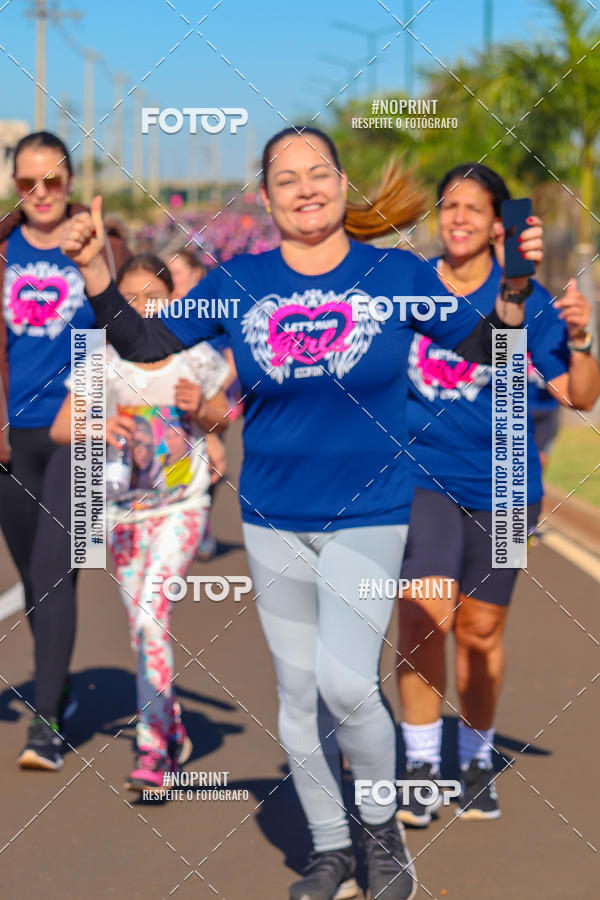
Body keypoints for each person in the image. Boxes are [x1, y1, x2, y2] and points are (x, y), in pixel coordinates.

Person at [61, 126, 540, 900]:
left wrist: (513, 293)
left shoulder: (395, 274)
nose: (305, 188)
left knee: (347, 685)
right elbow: (143, 341)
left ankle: (380, 832)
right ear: (266, 197)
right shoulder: (238, 280)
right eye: (286, 179)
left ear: (343, 185)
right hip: (272, 515)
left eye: (318, 173)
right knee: (295, 693)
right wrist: (93, 271)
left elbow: (492, 347)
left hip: (371, 510)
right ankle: (330, 850)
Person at [396, 164, 600, 826]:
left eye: (473, 208)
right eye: (448, 205)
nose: (458, 217)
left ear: (495, 225)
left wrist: (581, 338)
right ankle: (420, 763)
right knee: (424, 614)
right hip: (421, 473)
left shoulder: (529, 300)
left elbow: (579, 394)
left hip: (508, 482)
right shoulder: (409, 287)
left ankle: (476, 758)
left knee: (481, 631)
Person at [51, 254, 230, 791]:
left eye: (153, 297)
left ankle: (153, 749)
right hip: (123, 514)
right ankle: (170, 727)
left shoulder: (193, 353)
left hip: (182, 506)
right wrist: (99, 426)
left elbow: (222, 416)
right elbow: (61, 427)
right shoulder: (102, 356)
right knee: (142, 630)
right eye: (129, 297)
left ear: (173, 301)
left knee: (152, 617)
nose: (141, 307)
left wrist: (202, 409)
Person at [0, 130, 129, 770]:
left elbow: (125, 332)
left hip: (81, 430)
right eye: (28, 182)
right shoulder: (3, 252)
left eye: (52, 180)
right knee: (32, 575)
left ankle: (46, 719)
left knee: (55, 570)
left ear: (70, 182)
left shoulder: (98, 245)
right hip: (13, 435)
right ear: (15, 186)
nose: (41, 192)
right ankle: (61, 682)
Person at [167, 244, 240, 560]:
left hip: (210, 403)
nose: (172, 278)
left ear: (196, 274)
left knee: (209, 467)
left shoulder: (212, 311)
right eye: (167, 273)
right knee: (174, 464)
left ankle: (201, 526)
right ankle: (177, 523)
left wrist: (211, 391)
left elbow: (231, 360)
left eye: (177, 272)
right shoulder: (159, 310)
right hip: (170, 405)